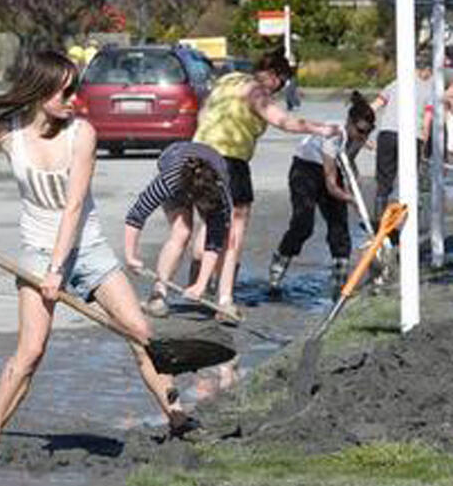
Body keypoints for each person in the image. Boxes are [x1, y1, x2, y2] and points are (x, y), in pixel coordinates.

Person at [0, 50, 197, 460]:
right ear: (41, 90)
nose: (73, 98)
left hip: (85, 247)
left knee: (140, 335)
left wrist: (58, 270)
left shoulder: (82, 134)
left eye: (76, 89)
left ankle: (178, 418)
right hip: (37, 249)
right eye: (65, 90)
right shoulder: (9, 134)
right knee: (31, 351)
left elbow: (73, 208)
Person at [161, 46, 339, 326]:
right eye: (280, 83)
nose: (278, 90)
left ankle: (189, 285)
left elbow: (203, 112)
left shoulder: (226, 80)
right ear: (273, 75)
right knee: (234, 233)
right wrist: (321, 129)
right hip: (229, 162)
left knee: (208, 223)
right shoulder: (256, 91)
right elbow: (284, 122)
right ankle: (224, 299)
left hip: (196, 156)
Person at [268, 91, 376, 300]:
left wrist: (355, 187)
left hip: (330, 169)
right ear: (350, 123)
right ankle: (278, 265)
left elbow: (348, 163)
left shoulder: (359, 138)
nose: (363, 136)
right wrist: (351, 199)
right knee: (303, 223)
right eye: (361, 130)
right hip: (305, 169)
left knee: (339, 224)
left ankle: (340, 279)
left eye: (368, 132)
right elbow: (331, 184)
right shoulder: (334, 135)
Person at [124, 141, 232, 317]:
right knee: (182, 231)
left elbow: (215, 241)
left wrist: (201, 283)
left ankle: (201, 285)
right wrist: (130, 256)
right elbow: (136, 215)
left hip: (211, 174)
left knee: (208, 239)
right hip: (174, 158)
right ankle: (158, 293)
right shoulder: (169, 180)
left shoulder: (221, 192)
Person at [369, 53, 433, 226]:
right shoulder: (428, 88)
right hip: (412, 136)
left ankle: (379, 221)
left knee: (384, 179)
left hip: (387, 134)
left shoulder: (396, 83)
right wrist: (424, 148)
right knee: (410, 177)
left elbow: (374, 106)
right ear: (425, 70)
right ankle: (409, 221)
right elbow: (426, 122)